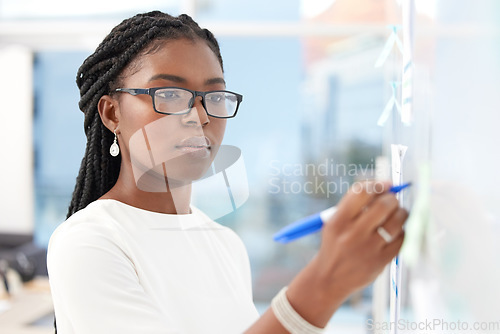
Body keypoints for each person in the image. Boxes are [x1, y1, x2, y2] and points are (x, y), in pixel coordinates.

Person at [47, 11, 408, 334]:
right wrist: (322, 286)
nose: (200, 116)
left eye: (215, 97)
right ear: (112, 114)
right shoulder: (88, 243)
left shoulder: (225, 243)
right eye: (170, 94)